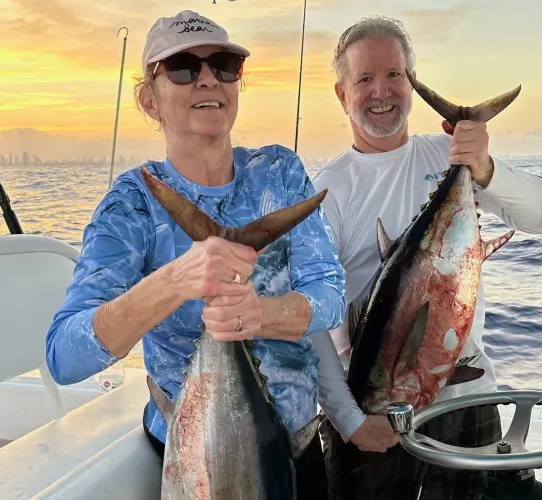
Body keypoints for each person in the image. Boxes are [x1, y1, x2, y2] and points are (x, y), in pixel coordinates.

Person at [42, 10, 342, 494]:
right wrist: (175, 280)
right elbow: (64, 356)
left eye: (224, 65)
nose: (208, 79)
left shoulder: (280, 172)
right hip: (198, 458)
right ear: (148, 97)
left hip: (297, 444)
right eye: (183, 67)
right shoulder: (132, 205)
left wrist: (256, 315)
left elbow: (329, 292)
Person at [307, 16, 542, 499]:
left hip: (465, 389)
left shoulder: (449, 154)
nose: (381, 90)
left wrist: (484, 167)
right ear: (341, 94)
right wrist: (351, 421)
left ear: (413, 84)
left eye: (395, 75)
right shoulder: (328, 189)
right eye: (364, 78)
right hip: (372, 400)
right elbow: (312, 321)